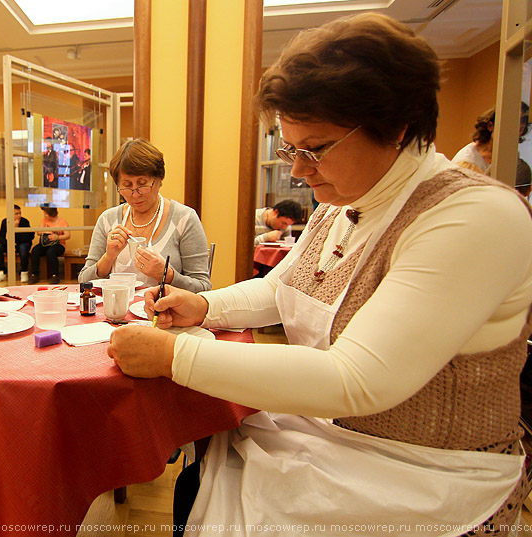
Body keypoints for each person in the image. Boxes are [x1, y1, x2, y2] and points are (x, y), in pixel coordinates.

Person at [107, 13, 532, 536]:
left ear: (397, 128)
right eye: (290, 147)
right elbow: (279, 287)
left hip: (424, 472)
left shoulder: (474, 217)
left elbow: (357, 380)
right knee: (203, 475)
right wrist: (207, 306)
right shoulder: (342, 203)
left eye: (316, 148)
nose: (297, 171)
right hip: (330, 438)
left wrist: (175, 356)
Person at [78, 139, 211, 292]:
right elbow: (83, 281)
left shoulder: (184, 218)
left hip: (163, 313)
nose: (135, 195)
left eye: (142, 184)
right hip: (115, 312)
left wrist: (167, 275)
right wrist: (108, 257)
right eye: (127, 187)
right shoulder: (108, 220)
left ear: (159, 179)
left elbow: (203, 287)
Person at [452, 102, 529, 175]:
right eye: (508, 128)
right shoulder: (467, 161)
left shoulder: (511, 155)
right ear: (490, 126)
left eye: (519, 130)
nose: (512, 135)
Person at [28, 206, 70, 284]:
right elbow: (38, 232)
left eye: (46, 213)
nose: (44, 215)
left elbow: (68, 235)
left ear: (51, 214)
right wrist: (47, 231)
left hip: (58, 244)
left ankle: (55, 275)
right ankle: (35, 274)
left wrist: (57, 237)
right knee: (35, 251)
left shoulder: (62, 222)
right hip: (45, 244)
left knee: (51, 252)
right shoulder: (44, 220)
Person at [0, 204, 34, 282]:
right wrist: (9, 243)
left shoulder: (24, 221)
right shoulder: (5, 222)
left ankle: (23, 272)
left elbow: (27, 238)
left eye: (20, 213)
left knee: (23, 248)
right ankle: (1, 272)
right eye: (16, 214)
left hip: (23, 243)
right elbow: (1, 237)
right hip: (9, 243)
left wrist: (16, 229)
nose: (19, 215)